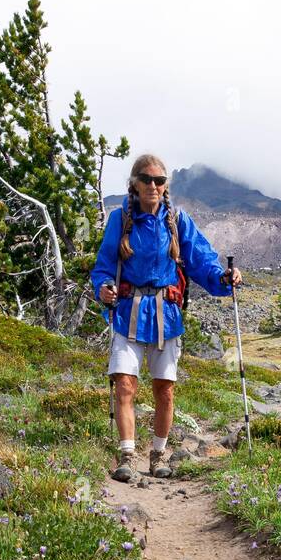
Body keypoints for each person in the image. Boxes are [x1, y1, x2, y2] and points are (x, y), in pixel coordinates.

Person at [90, 153, 242, 482]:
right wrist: (104, 288)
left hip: (167, 316)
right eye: (147, 179)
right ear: (134, 183)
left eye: (160, 181)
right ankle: (127, 454)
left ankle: (158, 454)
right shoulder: (120, 220)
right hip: (128, 314)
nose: (154, 186)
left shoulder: (177, 221)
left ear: (165, 186)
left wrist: (223, 278)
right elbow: (103, 267)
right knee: (125, 386)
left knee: (165, 390)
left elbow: (201, 260)